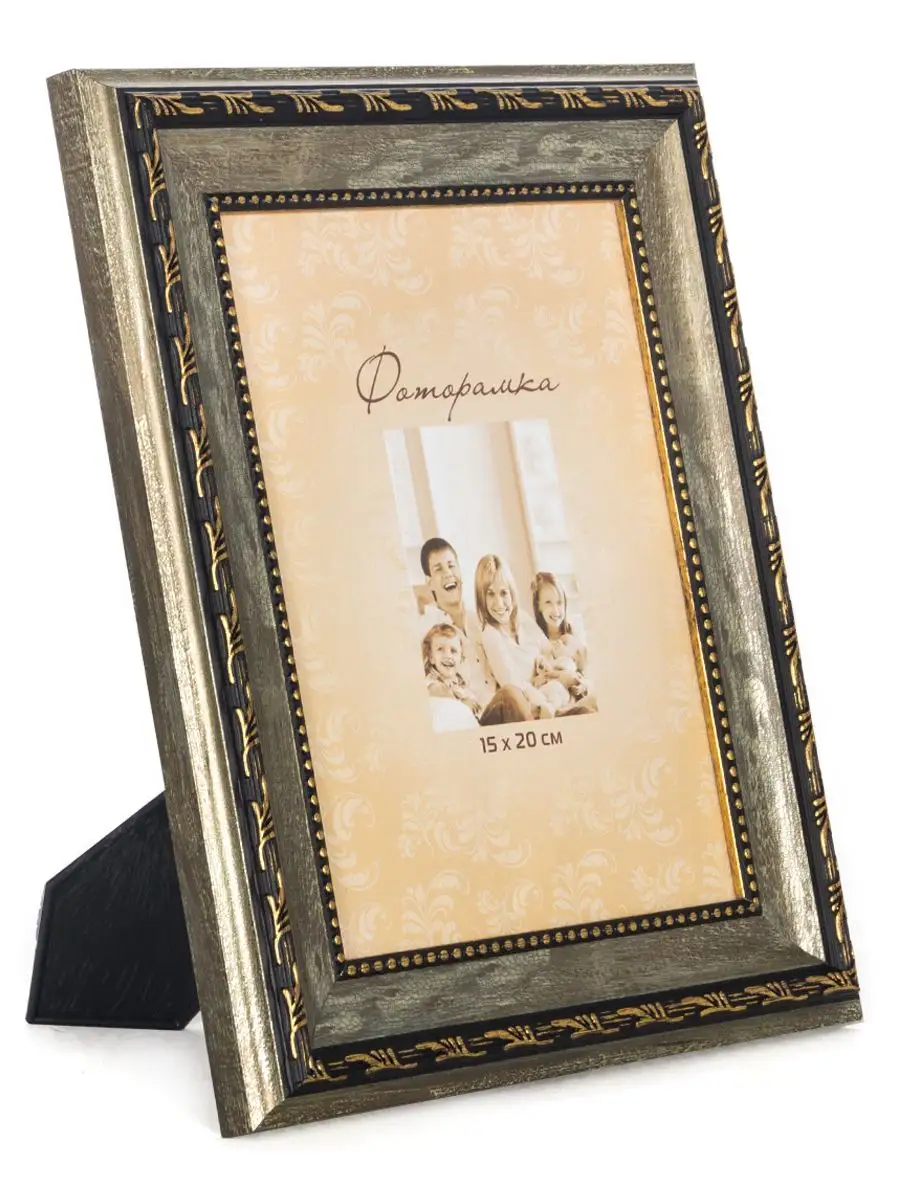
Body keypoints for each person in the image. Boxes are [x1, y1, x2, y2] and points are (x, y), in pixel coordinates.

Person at [418, 538, 531, 726]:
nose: (448, 574)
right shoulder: (425, 629)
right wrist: (457, 699)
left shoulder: (481, 618)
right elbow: (423, 685)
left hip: (504, 709)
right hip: (474, 718)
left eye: (451, 566)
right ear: (429, 582)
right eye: (439, 569)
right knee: (511, 695)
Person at [474, 554, 553, 719]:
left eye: (504, 593)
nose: (499, 603)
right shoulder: (491, 635)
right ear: (481, 598)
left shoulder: (523, 618)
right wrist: (538, 687)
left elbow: (549, 651)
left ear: (512, 593)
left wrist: (543, 663)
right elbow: (514, 687)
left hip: (552, 688)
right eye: (490, 594)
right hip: (535, 706)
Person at [531, 570, 595, 715]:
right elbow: (536, 681)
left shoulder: (574, 635)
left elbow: (587, 672)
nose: (556, 610)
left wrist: (583, 684)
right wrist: (559, 675)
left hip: (576, 698)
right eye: (548, 603)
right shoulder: (537, 641)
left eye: (559, 602)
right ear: (538, 606)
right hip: (555, 699)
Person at [422, 623, 482, 719]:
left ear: (461, 658)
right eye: (440, 649)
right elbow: (454, 706)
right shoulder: (433, 686)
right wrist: (464, 704)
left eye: (453, 651)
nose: (448, 656)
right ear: (431, 657)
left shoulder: (457, 681)